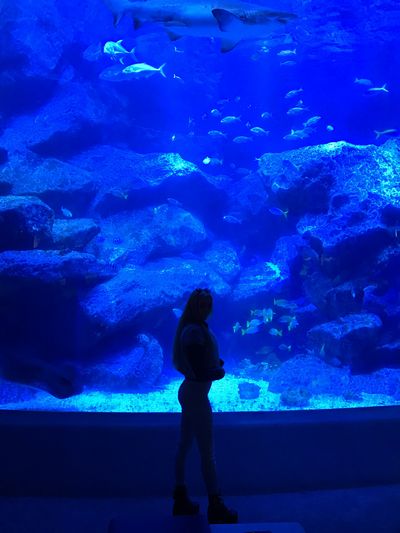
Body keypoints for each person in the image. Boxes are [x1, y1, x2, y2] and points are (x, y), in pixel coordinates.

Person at [172, 287, 238, 524]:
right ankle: (215, 505)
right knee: (207, 453)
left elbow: (197, 361)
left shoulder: (193, 328)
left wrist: (212, 362)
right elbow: (200, 370)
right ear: (195, 305)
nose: (206, 308)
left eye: (208, 304)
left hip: (190, 392)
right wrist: (217, 371)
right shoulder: (193, 331)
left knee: (184, 446)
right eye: (202, 304)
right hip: (196, 396)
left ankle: (180, 499)